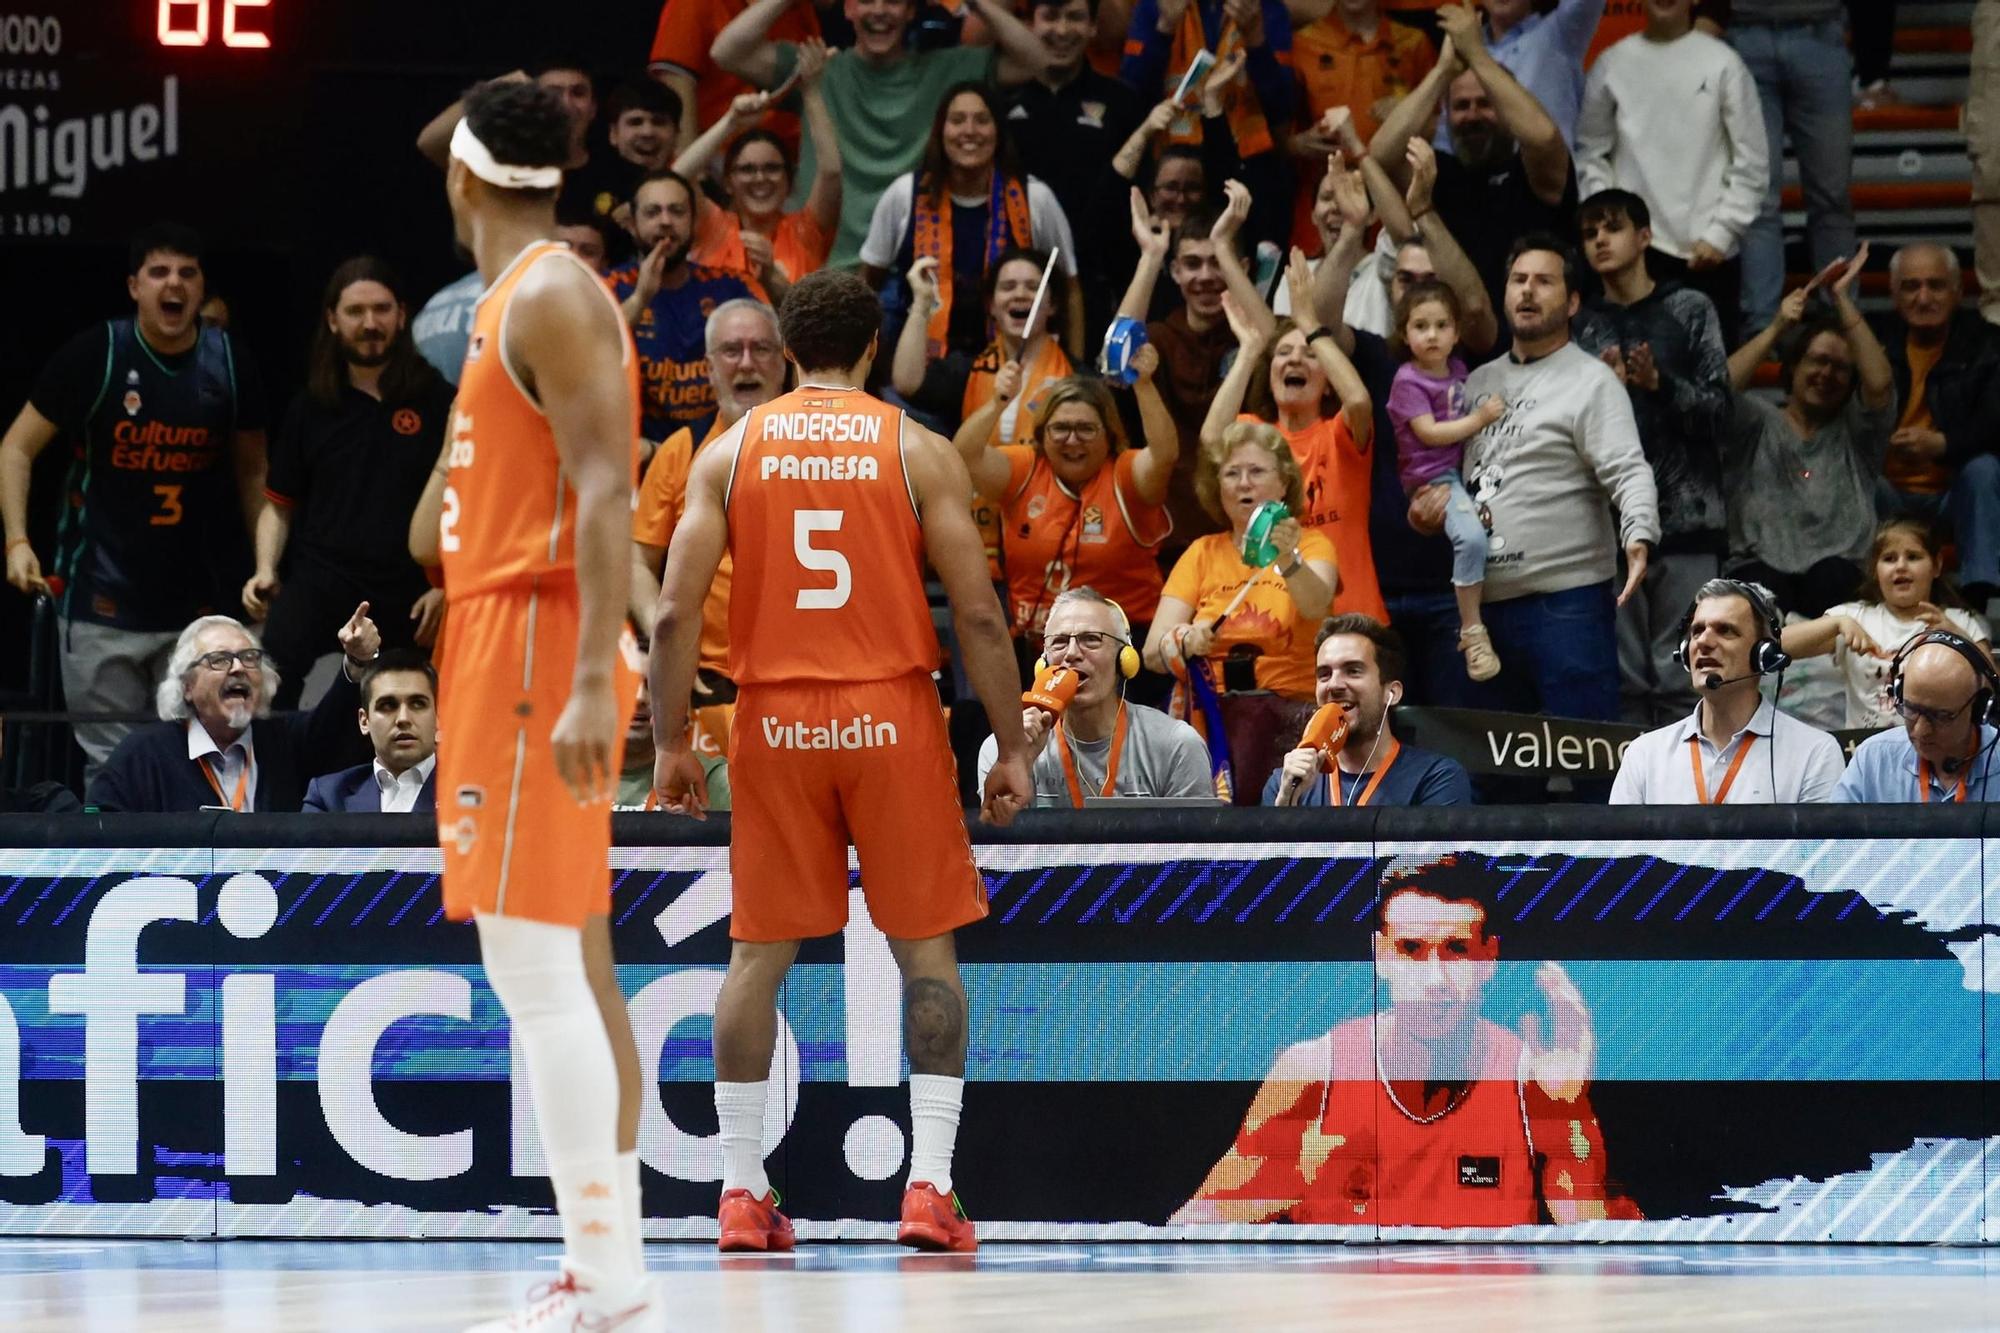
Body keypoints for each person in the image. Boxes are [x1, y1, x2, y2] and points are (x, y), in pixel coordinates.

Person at [649, 270, 1032, 1254]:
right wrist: (1011, 742)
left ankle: (740, 1192)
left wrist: (669, 742)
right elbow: (980, 612)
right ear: (872, 349)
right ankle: (929, 1187)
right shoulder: (916, 447)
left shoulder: (727, 453)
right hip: (888, 711)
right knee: (926, 951)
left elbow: (672, 612)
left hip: (771, 717)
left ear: (782, 349)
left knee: (755, 957)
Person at [426, 79, 660, 1332]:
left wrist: (584, 678)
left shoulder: (555, 293)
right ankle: (608, 1264)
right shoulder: (517, 292)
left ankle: (605, 1272)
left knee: (532, 975)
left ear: (461, 179)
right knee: (572, 965)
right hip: (503, 632)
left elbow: (607, 489)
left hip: (535, 638)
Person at [1173, 853, 1623, 1225]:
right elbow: (1192, 1234)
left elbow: (1596, 1269)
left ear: (1489, 958)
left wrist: (1569, 1114)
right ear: (1380, 956)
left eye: (1457, 950)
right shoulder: (1313, 1074)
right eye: (1411, 950)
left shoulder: (1534, 1084)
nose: (1435, 980)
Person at [1, 221, 268, 773]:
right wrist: (16, 541)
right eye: (159, 272)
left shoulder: (231, 364)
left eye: (187, 273)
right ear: (134, 286)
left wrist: (265, 563)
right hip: (101, 600)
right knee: (113, 766)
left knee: (203, 763)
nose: (174, 284)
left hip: (195, 607)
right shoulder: (96, 354)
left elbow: (253, 472)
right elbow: (16, 447)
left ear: (201, 288)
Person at [1459, 236, 1659, 722]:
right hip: (1483, 609)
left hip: (1567, 603)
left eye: (1544, 281)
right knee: (1496, 773)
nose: (1528, 292)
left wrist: (1638, 533)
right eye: (1518, 280)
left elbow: (1628, 468)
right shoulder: (1476, 382)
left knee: (1586, 758)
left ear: (1571, 302)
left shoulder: (1592, 380)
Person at [249, 257, 453, 709]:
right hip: (324, 576)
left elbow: (469, 503)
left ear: (402, 316)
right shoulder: (309, 407)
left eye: (382, 310)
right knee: (270, 674)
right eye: (356, 312)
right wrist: (265, 568)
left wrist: (447, 585)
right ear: (332, 320)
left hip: (412, 588)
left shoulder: (439, 399)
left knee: (412, 702)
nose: (370, 323)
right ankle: (277, 779)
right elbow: (278, 505)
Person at [712, 0, 1054, 269]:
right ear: (848, 8)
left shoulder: (948, 68)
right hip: (823, 267)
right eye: (866, 0)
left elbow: (1039, 60)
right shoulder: (817, 70)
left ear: (910, 11)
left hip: (912, 273)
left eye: (892, 1)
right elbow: (726, 51)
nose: (878, 10)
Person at [1570, 189, 1733, 726]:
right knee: (1626, 684)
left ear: (1644, 237)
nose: (1599, 239)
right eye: (1590, 231)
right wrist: (1604, 395)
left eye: (1612, 227)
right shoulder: (1581, 324)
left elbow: (1721, 412)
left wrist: (1659, 384)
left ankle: (1687, 802)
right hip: (1608, 526)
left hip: (1689, 519)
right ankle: (1633, 799)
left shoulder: (1689, 307)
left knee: (1684, 676)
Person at [631, 298, 790, 762]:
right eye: (731, 350)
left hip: (795, 677)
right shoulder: (681, 449)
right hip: (705, 680)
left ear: (785, 360)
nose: (746, 362)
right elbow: (639, 563)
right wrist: (664, 636)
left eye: (761, 348)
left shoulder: (821, 448)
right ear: (708, 366)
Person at [1204, 260, 1388, 624]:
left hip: (1354, 617)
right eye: (1284, 353)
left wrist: (1310, 323)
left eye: (1310, 354)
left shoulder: (1339, 434)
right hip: (1278, 623)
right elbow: (1211, 440)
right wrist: (1251, 349)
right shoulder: (1253, 434)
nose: (1295, 360)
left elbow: (1359, 401)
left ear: (1330, 377)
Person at [1574, 0, 1767, 342]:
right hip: (1631, 262)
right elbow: (1591, 152)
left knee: (1711, 384)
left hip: (1707, 257)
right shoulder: (1611, 64)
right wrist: (1611, 224)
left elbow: (1752, 161)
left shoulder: (1724, 63)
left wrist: (1722, 233)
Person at [1724, 248, 1897, 619]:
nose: (1827, 374)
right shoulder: (1758, 419)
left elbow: (1880, 384)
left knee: (1832, 579)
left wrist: (1841, 301)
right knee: (1755, 595)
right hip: (1758, 566)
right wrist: (1776, 328)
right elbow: (1716, 391)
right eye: (1818, 360)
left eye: (1840, 368)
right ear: (1793, 366)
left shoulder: (1858, 431)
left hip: (1839, 572)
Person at [1369, 11, 1577, 316]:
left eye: (1485, 104)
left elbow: (1544, 137)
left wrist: (1477, 54)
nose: (1472, 116)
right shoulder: (1442, 173)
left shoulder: (1534, 171)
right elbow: (1383, 154)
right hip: (1458, 344)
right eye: (1461, 106)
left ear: (1506, 109)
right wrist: (1442, 71)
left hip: (1538, 334)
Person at [861, 83, 1079, 364]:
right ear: (941, 131)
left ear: (998, 132)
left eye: (982, 120)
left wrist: (1072, 369)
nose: (969, 131)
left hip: (1015, 371)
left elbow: (1070, 291)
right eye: (957, 120)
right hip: (921, 372)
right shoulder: (904, 195)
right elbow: (868, 286)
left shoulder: (1035, 198)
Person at [86, 605, 377, 814]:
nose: (238, 667)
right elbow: (100, 835)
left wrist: (357, 662)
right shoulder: (143, 753)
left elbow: (334, 727)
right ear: (187, 686)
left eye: (249, 658)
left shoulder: (285, 740)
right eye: (220, 659)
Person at [1121, 185, 1274, 546]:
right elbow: (1117, 358)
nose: (1205, 276)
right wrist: (1151, 255)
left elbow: (1273, 345)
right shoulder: (1160, 336)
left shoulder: (1251, 338)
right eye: (1192, 264)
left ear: (1243, 269)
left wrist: (1225, 244)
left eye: (1218, 262)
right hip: (1170, 528)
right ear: (1174, 271)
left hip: (1251, 526)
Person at [1143, 421, 1337, 701]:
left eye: (1256, 471)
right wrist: (1185, 640)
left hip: (1291, 703)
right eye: (1232, 473)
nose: (1244, 483)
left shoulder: (1312, 544)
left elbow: (1316, 607)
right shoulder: (1202, 552)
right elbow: (1151, 654)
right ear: (1218, 487)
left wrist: (1286, 557)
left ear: (1284, 482)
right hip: (1211, 709)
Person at [1609, 579, 1844, 804]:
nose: (1704, 642)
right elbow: (1619, 847)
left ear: (1763, 655)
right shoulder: (1644, 755)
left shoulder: (1815, 753)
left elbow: (1821, 847)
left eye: (1725, 630)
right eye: (1697, 630)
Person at [976, 588, 1213, 801]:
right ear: (1043, 664)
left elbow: (1193, 848)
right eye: (1059, 642)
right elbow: (999, 846)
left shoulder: (1177, 746)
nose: (1071, 654)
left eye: (1090, 640)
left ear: (1124, 660)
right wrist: (1019, 763)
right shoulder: (1003, 750)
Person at [1004, 0, 1148, 331]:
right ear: (1031, 24)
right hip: (1023, 279)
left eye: (1075, 17)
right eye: (1051, 15)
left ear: (1094, 26)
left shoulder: (1122, 102)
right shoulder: (1004, 103)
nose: (1062, 30)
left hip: (1104, 276)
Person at [1385, 278, 1502, 681]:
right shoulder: (1407, 380)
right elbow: (1430, 433)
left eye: (1441, 325)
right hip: (1432, 479)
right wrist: (1482, 418)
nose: (1431, 335)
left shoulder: (1457, 370)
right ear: (1405, 333)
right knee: (1470, 539)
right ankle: (1472, 630)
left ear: (1456, 332)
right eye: (1420, 326)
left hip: (1463, 472)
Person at [1875, 243, 2000, 606]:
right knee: (1858, 478)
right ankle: (1863, 603)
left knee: (1984, 470)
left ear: (1958, 291)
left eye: (1936, 285)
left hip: (1954, 493)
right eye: (1911, 287)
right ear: (1894, 294)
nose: (1923, 297)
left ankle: (1976, 598)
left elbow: (1995, 424)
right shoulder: (1876, 343)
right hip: (1890, 492)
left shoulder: (1988, 345)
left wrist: (1942, 444)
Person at [1782, 519, 1994, 729]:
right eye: (1889, 559)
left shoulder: (1959, 621)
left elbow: (1993, 686)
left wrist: (1959, 639)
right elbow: (1777, 645)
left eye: (1913, 557)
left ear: (1937, 565)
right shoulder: (1854, 617)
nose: (1901, 566)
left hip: (1934, 748)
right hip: (1865, 751)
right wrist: (1836, 624)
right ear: (1875, 570)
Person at [1727, 1, 1859, 334]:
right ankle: (1763, 329)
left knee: (1832, 195)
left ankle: (1841, 321)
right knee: (1757, 197)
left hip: (1820, 29)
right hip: (1744, 33)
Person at [675, 47, 842, 306]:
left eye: (772, 168)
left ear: (789, 182)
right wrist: (730, 122)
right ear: (728, 182)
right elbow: (676, 181)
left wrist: (811, 92)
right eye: (747, 169)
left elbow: (832, 171)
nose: (760, 178)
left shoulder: (805, 231)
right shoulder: (712, 227)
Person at [612, 169, 759, 447]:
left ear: (694, 222)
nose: (666, 222)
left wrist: (774, 281)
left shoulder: (728, 285)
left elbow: (784, 343)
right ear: (632, 224)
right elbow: (593, 351)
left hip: (722, 449)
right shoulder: (610, 285)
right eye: (653, 212)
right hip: (641, 453)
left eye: (677, 211)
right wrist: (640, 298)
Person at [1262, 614, 1472, 806]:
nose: (1334, 685)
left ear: (1391, 693)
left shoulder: (1435, 778)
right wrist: (1285, 808)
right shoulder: (1286, 782)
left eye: (1353, 671)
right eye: (1324, 674)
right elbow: (1269, 849)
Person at [902, 247, 1075, 443]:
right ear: (991, 305)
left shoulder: (1076, 378)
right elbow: (908, 383)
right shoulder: (968, 371)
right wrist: (921, 304)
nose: (1020, 294)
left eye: (1033, 287)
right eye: (1008, 287)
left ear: (1052, 305)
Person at [1836, 632, 2000, 803]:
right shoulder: (1873, 759)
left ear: (1979, 710)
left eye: (1940, 716)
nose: (1921, 730)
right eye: (1911, 708)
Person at [649, 0, 823, 150]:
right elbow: (676, 85)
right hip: (722, 155)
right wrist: (694, 179)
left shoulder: (798, 8)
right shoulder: (692, 4)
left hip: (790, 154)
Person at [302, 651, 440, 813]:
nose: (403, 718)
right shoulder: (329, 796)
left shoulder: (470, 790)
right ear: (364, 721)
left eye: (418, 704)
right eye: (387, 705)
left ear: (438, 716)